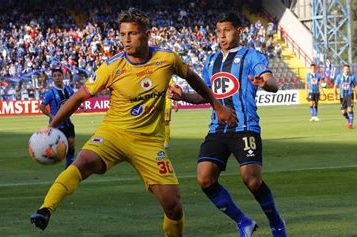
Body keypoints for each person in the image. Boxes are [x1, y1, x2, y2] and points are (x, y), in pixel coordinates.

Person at [30, 8, 236, 236]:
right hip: (114, 133)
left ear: (146, 35)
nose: (126, 40)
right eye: (123, 34)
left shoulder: (167, 59)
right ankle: (45, 208)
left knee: (174, 206)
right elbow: (78, 97)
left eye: (132, 34)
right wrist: (52, 125)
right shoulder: (112, 66)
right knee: (83, 162)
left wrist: (217, 106)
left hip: (148, 142)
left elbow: (193, 79)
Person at [169, 13, 286, 237]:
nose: (222, 35)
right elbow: (206, 95)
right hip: (218, 128)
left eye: (227, 30)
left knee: (251, 180)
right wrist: (183, 95)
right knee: (204, 178)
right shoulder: (211, 61)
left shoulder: (252, 56)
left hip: (245, 126)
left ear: (239, 31)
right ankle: (243, 222)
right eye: (218, 31)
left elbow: (272, 82)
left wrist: (266, 83)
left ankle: (276, 223)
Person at [39, 68, 76, 167]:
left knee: (71, 143)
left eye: (59, 75)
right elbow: (42, 106)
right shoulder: (50, 93)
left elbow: (74, 100)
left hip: (67, 122)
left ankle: (69, 165)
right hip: (55, 124)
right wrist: (51, 115)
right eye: (55, 76)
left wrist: (79, 105)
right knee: (55, 147)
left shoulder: (69, 89)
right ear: (52, 79)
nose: (57, 78)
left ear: (63, 77)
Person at [333, 64, 357, 129]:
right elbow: (335, 85)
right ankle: (347, 118)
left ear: (349, 70)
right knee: (343, 112)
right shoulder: (339, 76)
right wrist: (334, 93)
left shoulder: (352, 77)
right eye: (345, 69)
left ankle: (351, 124)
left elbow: (355, 85)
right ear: (343, 70)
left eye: (347, 69)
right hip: (342, 96)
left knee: (350, 109)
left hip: (350, 95)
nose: (346, 70)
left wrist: (356, 94)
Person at [164, 80, 180, 149]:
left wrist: (176, 103)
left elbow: (175, 91)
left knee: (166, 123)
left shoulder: (169, 79)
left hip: (166, 104)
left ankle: (166, 143)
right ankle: (164, 138)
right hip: (156, 104)